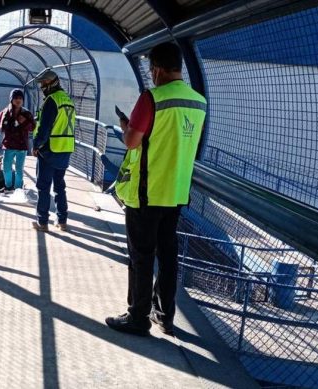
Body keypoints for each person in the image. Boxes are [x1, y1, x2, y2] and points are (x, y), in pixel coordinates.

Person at [105, 42, 207, 336]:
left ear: (158, 69)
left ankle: (137, 317)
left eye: (151, 71)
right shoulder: (198, 102)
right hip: (176, 193)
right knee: (168, 255)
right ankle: (165, 316)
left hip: (146, 193)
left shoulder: (152, 98)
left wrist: (126, 126)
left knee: (141, 255)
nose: (151, 76)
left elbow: (132, 142)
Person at [31, 70, 75, 232]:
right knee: (59, 186)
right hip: (65, 149)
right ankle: (62, 221)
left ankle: (42, 222)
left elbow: (45, 128)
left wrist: (36, 145)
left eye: (43, 83)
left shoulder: (51, 100)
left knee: (43, 186)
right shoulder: (67, 100)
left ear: (51, 83)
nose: (42, 86)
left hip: (49, 150)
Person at [0, 89, 35, 192]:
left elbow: (33, 127)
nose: (18, 100)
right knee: (6, 167)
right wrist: (10, 124)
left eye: (20, 98)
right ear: (11, 99)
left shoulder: (26, 113)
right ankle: (8, 186)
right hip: (8, 144)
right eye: (16, 98)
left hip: (21, 145)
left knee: (19, 169)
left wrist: (24, 122)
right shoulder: (4, 112)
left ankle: (18, 189)